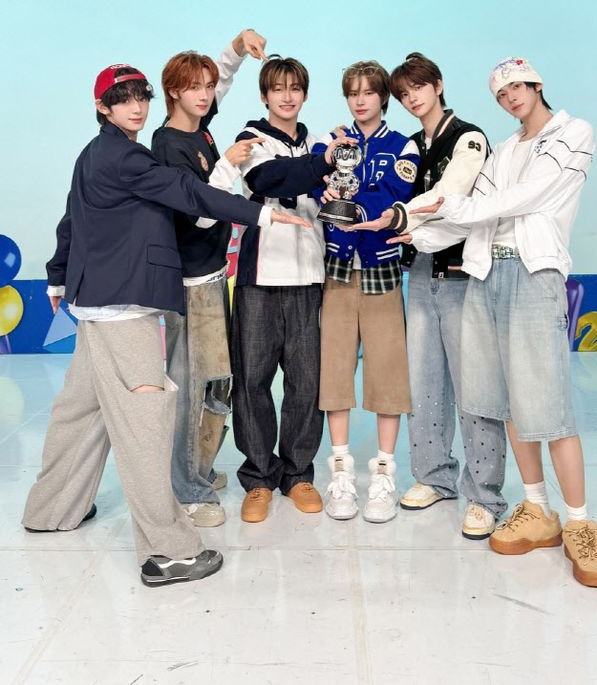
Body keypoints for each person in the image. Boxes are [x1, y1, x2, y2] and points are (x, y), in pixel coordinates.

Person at [23, 64, 309, 587]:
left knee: (79, 411)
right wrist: (262, 215)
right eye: (122, 99)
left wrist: (59, 275)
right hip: (123, 308)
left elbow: (72, 217)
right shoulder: (126, 156)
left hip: (95, 303)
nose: (136, 107)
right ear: (103, 107)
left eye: (141, 96)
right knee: (144, 424)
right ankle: (167, 551)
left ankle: (52, 507)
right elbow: (189, 192)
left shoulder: (94, 153)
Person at [389, 57, 597, 587]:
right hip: (485, 274)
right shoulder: (506, 149)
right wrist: (412, 233)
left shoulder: (574, 133)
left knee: (549, 404)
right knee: (504, 401)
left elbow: (521, 198)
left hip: (534, 274)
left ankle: (580, 523)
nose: (510, 97)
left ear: (536, 84)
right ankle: (536, 509)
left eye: (516, 87)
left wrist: (448, 208)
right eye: (501, 93)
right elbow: (472, 216)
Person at [351, 52, 507, 539]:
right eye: (403, 93)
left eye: (419, 87)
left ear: (438, 85)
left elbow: (450, 193)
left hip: (462, 275)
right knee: (423, 381)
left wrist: (400, 215)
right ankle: (434, 477)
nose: (412, 97)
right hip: (418, 272)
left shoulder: (469, 137)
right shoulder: (413, 145)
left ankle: (484, 495)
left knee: (474, 386)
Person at [151, 30, 268, 529]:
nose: (204, 94)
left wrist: (237, 47)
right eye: (192, 87)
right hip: (190, 283)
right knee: (192, 387)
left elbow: (221, 82)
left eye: (206, 85)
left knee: (218, 381)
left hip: (214, 274)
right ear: (172, 92)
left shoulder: (199, 129)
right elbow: (197, 215)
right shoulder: (167, 145)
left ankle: (198, 469)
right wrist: (227, 166)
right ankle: (186, 488)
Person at [231, 55, 355, 523]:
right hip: (261, 279)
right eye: (278, 88)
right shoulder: (252, 138)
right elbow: (268, 179)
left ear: (304, 94)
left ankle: (298, 473)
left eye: (295, 88)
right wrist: (322, 161)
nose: (287, 96)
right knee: (253, 382)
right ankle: (259, 478)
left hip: (308, 280)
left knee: (306, 382)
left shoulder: (319, 142)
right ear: (264, 95)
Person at [312, 60, 419, 524]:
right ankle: (340, 474)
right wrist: (328, 188)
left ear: (383, 98)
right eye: (352, 93)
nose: (360, 100)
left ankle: (383, 476)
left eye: (368, 92)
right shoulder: (330, 142)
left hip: (382, 272)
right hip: (336, 272)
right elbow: (318, 190)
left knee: (388, 373)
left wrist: (347, 199)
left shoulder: (403, 146)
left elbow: (396, 196)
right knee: (334, 372)